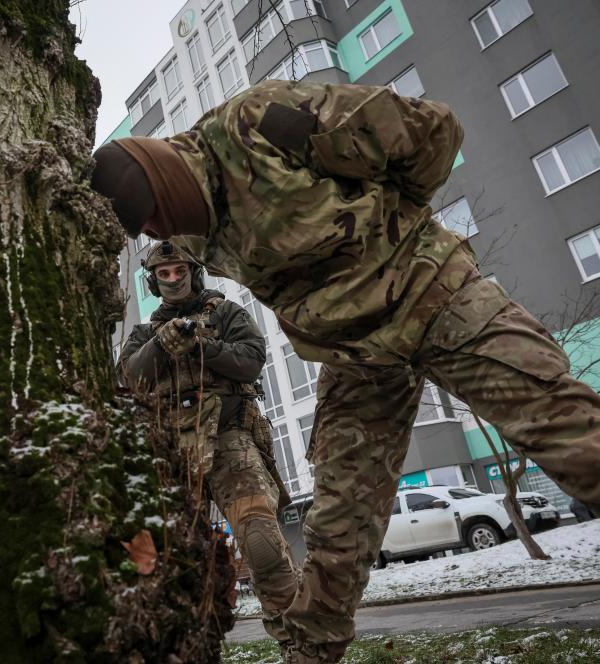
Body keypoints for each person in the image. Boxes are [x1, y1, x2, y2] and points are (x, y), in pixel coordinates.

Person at [93, 79, 600, 663]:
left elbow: (433, 131)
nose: (159, 235)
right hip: (354, 359)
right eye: (147, 233)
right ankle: (309, 655)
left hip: (437, 301)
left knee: (567, 434)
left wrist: (396, 242)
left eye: (152, 215)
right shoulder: (188, 231)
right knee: (336, 535)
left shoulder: (260, 123)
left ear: (160, 175)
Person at [117, 240, 297, 643]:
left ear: (194, 272)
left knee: (262, 545)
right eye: (163, 274)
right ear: (153, 282)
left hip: (229, 442)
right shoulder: (145, 334)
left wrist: (203, 344)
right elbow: (130, 379)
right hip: (169, 455)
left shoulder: (228, 312)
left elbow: (251, 359)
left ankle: (300, 643)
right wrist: (163, 344)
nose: (173, 279)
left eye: (179, 271)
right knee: (171, 562)